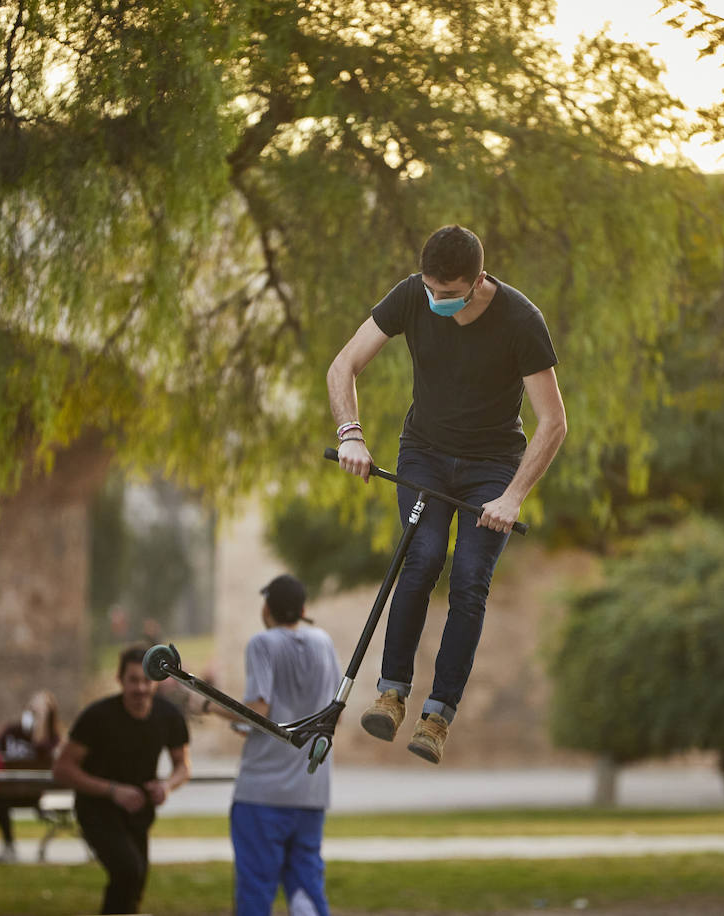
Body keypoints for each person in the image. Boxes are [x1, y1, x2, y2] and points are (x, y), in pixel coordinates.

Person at [327, 224, 567, 764]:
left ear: (479, 280)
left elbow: (553, 422)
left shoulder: (520, 320)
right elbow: (344, 365)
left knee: (469, 579)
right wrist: (352, 435)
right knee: (423, 558)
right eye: (431, 288)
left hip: (492, 467)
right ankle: (391, 693)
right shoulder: (412, 294)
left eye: (449, 293)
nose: (436, 301)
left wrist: (513, 496)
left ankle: (437, 716)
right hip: (425, 456)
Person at [202, 574, 341, 915]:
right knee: (306, 889)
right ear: (303, 609)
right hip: (311, 792)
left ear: (267, 608)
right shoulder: (323, 641)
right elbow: (331, 709)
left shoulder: (262, 644)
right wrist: (245, 723)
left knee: (256, 892)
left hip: (262, 793)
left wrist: (207, 706)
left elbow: (259, 710)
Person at [53, 645, 191, 915]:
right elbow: (62, 769)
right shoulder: (97, 717)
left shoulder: (169, 716)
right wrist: (113, 791)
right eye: (133, 680)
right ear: (120, 680)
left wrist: (166, 785)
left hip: (139, 811)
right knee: (128, 870)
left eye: (146, 680)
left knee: (134, 883)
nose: (141, 687)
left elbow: (183, 767)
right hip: (96, 809)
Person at [0, 690, 62, 862]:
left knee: (0, 799)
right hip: (7, 792)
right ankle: (9, 845)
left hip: (33, 794)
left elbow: (47, 755)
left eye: (40, 711)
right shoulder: (12, 731)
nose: (34, 714)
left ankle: (9, 846)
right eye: (32, 710)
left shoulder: (52, 739)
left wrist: (39, 729)